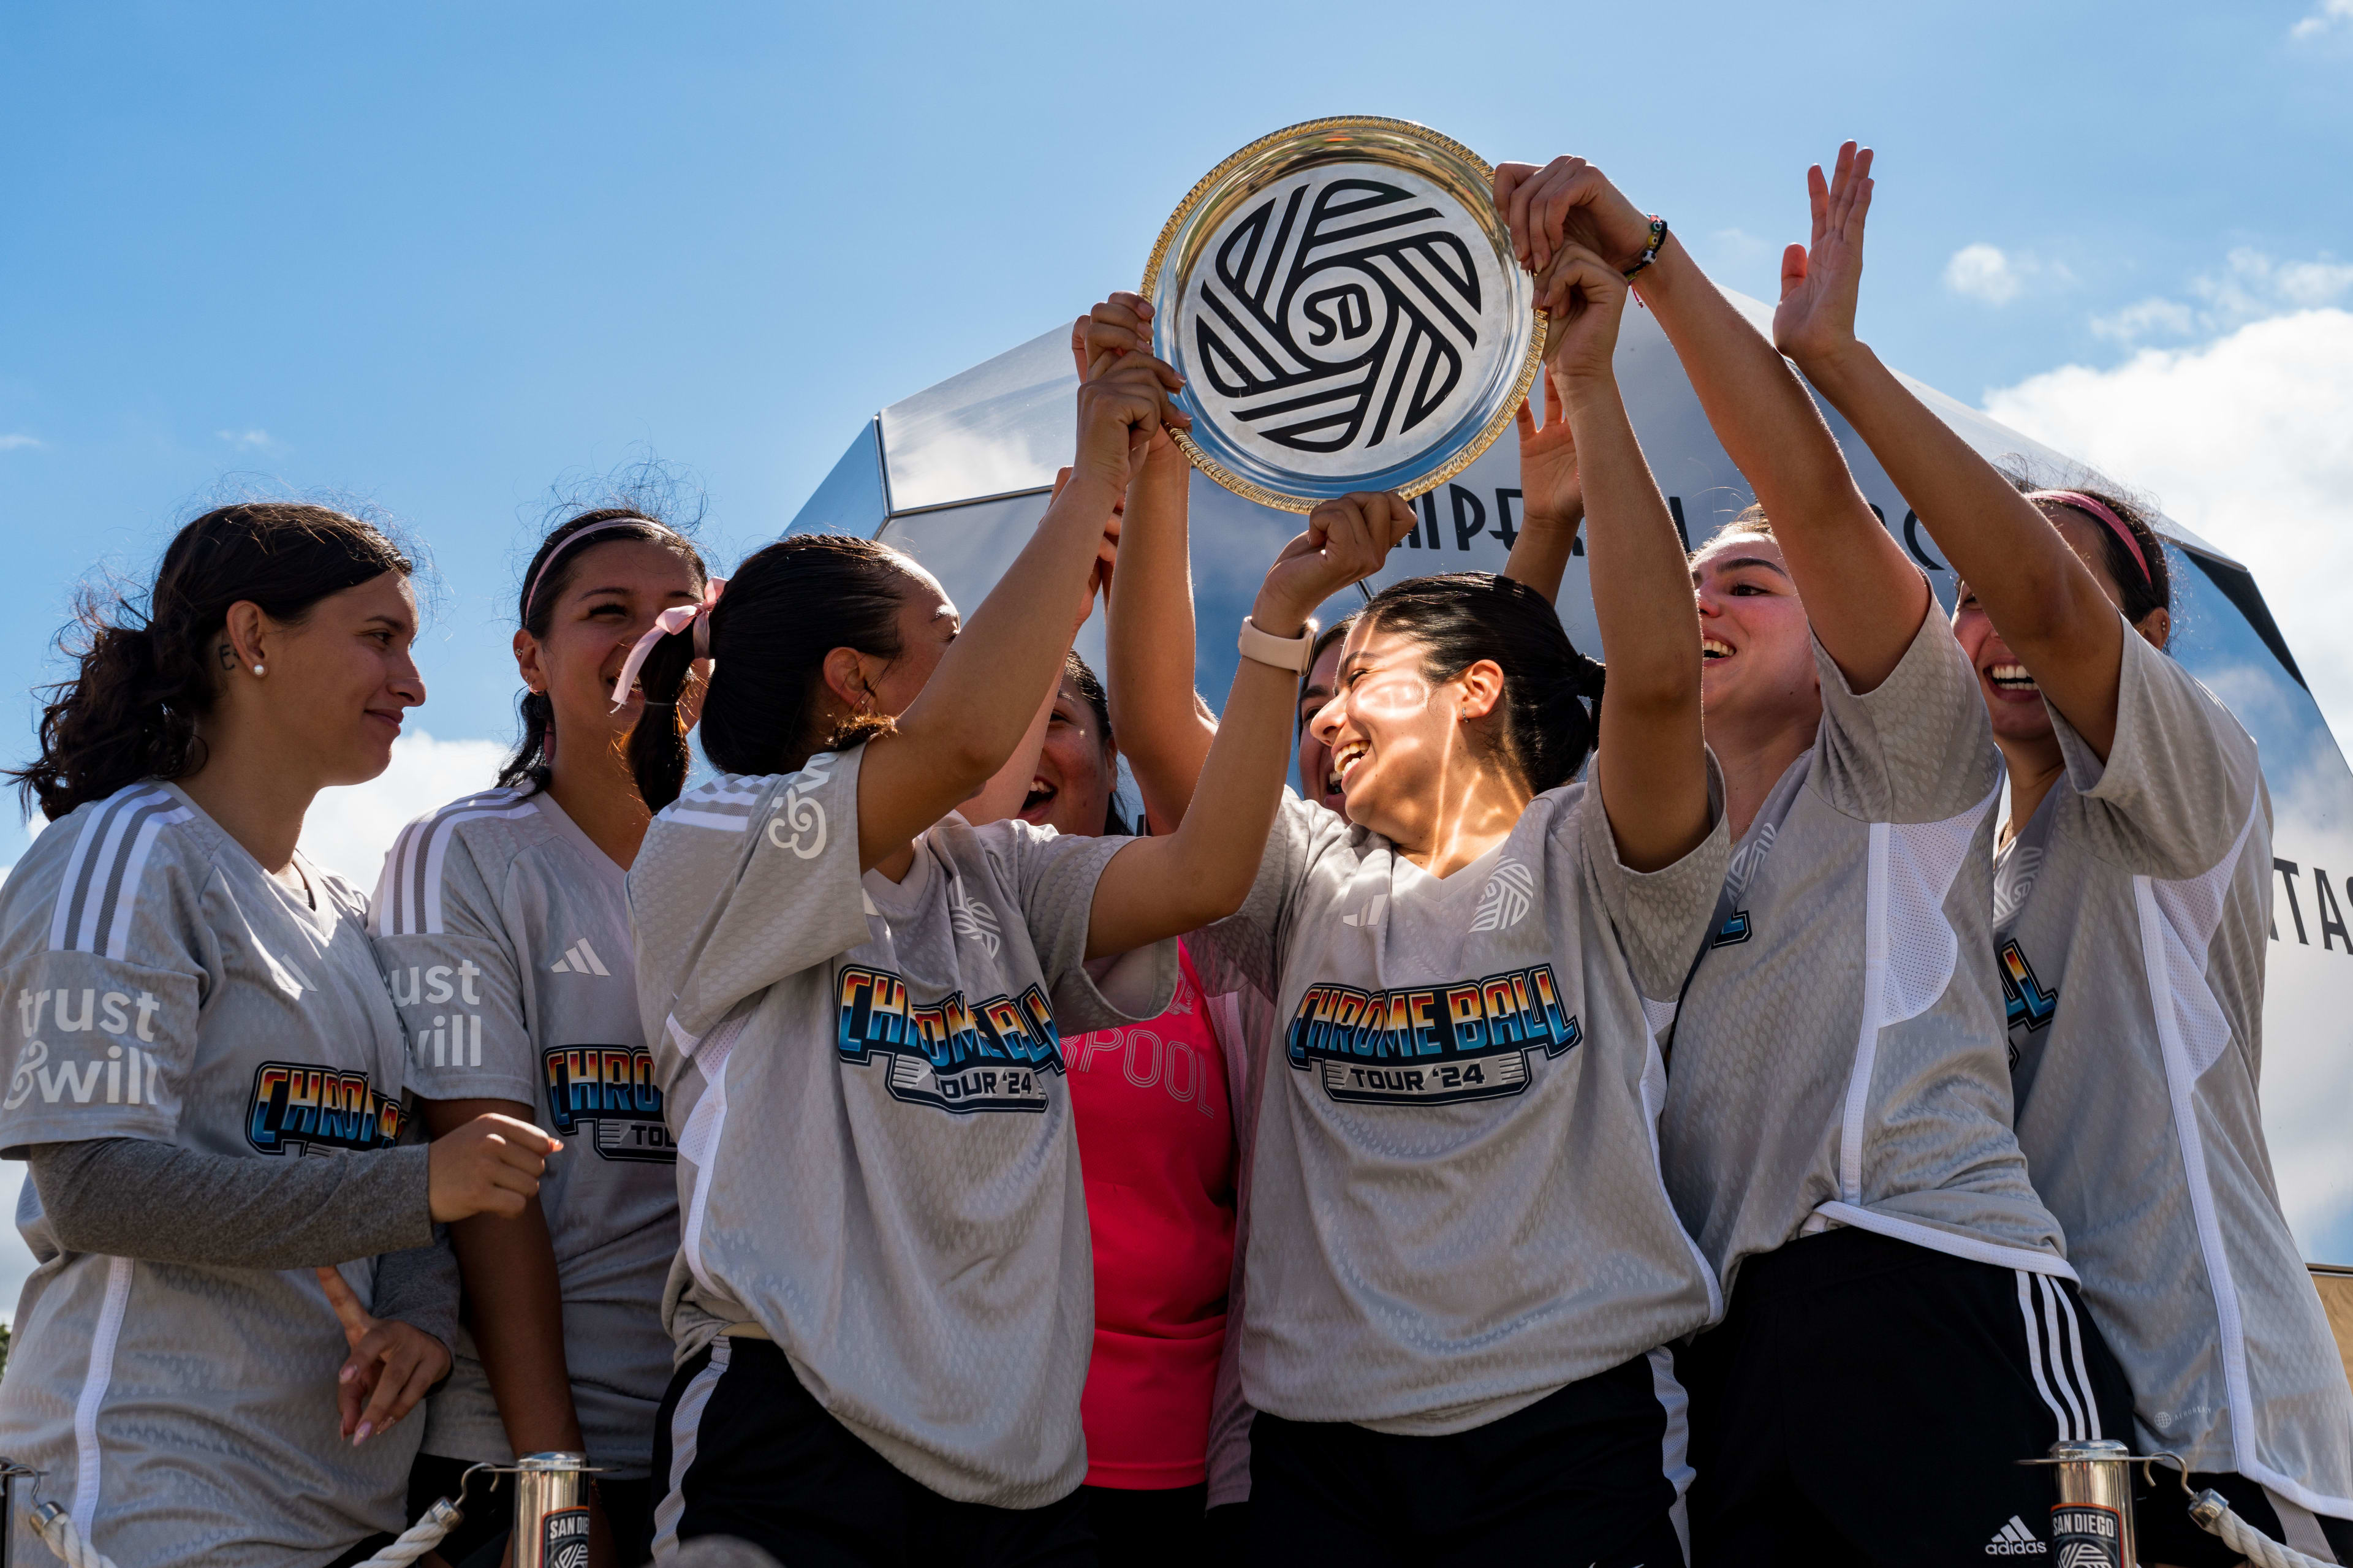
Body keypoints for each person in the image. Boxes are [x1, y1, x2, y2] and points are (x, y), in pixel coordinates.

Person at [627, 342, 1408, 1567]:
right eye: (952, 634)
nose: (995, 660)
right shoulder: (714, 841)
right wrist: (1090, 475)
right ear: (855, 683)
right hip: (796, 1430)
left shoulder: (993, 872)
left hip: (1017, 1476)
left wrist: (1266, 618)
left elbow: (1206, 869)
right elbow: (957, 743)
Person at [1494, 153, 2134, 1564]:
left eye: (1750, 580)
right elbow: (1489, 719)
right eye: (1689, 583)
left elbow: (1815, 494)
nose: (1706, 603)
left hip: (1939, 1281)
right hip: (1725, 1359)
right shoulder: (1629, 840)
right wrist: (1553, 504)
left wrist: (1650, 262)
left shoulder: (1905, 761)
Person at [1773, 142, 2353, 1564]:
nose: (2001, 623)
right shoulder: (1961, 870)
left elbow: (2042, 595)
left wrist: (1838, 367)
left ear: (2145, 641)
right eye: (1966, 599)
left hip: (2231, 1428)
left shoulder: (2189, 787)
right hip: (2057, 1430)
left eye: (2048, 592)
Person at [1111, 248, 1726, 1566]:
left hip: (1569, 1431)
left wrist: (1591, 386)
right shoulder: (1309, 881)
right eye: (1317, 691)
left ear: (1479, 689)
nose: (1326, 715)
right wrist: (1163, 456)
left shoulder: (1595, 854)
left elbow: (1660, 681)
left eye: (1364, 679)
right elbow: (1160, 730)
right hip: (1321, 1455)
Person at [0, 502, 558, 1567]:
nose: (414, 685)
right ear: (252, 637)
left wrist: (422, 1322)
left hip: (347, 1519)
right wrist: (420, 1185)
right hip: (145, 1506)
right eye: (380, 638)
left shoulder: (345, 913)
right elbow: (93, 1188)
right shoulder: (124, 856)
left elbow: (404, 1174)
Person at [374, 506, 713, 1567]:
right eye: (609, 612)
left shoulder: (740, 861)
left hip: (723, 1441)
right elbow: (485, 1195)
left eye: (679, 614)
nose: (649, 639)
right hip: (521, 1456)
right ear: (532, 658)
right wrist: (556, 1492)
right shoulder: (464, 853)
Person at [966, 646, 1255, 1564]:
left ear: (1113, 752)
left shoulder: (1211, 935)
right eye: (997, 722)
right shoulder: (901, 935)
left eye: (1051, 719)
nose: (1022, 748)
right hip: (963, 1445)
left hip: (1176, 1462)